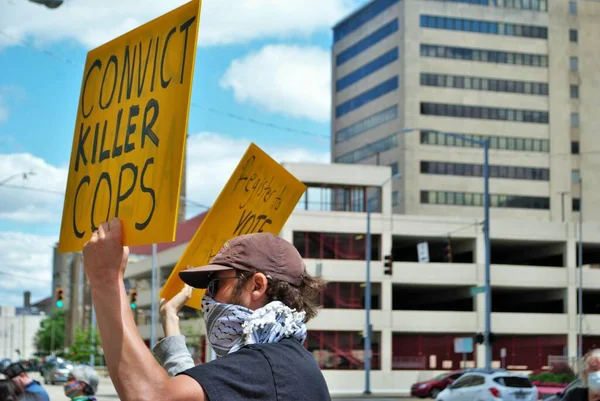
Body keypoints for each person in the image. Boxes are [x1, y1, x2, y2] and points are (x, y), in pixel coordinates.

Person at [83, 218, 331, 401]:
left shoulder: (265, 365)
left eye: (215, 284)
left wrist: (105, 279)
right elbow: (196, 391)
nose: (207, 299)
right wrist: (170, 320)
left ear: (256, 286)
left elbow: (151, 396)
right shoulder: (287, 360)